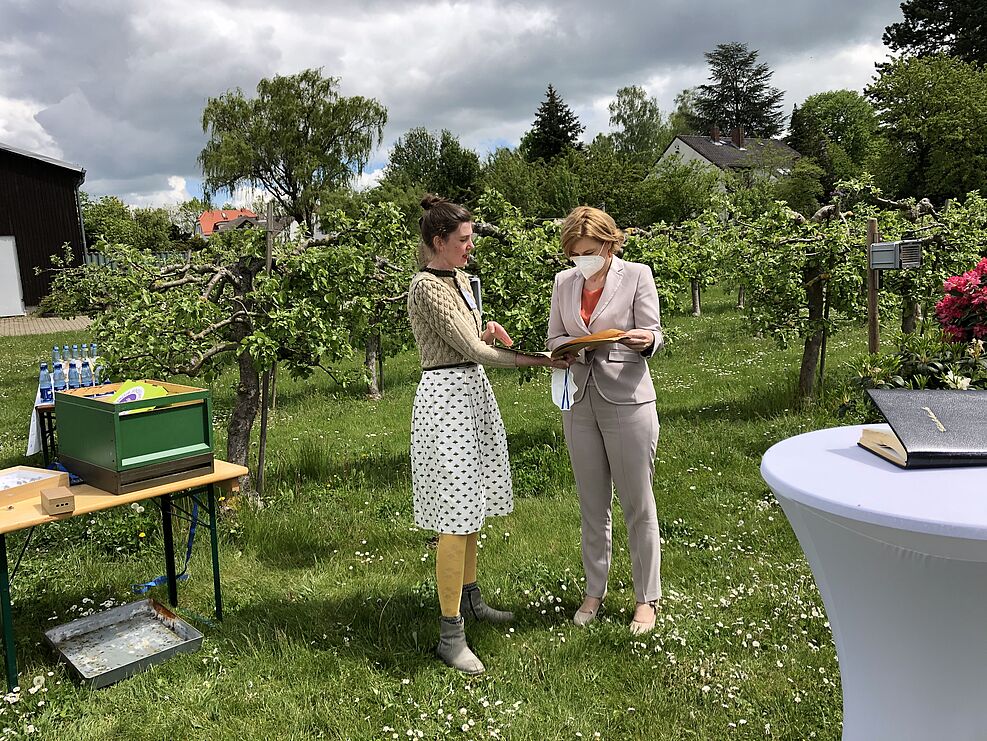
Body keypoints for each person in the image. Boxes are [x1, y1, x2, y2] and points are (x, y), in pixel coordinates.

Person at [407, 194, 569, 674]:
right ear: (438, 241)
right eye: (463, 239)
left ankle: (471, 599)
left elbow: (468, 332)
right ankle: (449, 634)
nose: (470, 246)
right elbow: (471, 350)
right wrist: (537, 361)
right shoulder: (426, 288)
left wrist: (486, 322)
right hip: (447, 399)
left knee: (471, 508)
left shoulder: (458, 278)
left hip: (470, 394)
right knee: (454, 519)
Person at [547, 205, 664, 635]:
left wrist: (643, 339)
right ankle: (594, 590)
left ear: (610, 243)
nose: (583, 260)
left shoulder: (637, 275)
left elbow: (655, 333)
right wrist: (567, 347)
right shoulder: (563, 283)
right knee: (592, 505)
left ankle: (645, 598)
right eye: (576, 253)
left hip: (628, 398)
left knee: (637, 503)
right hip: (579, 399)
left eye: (591, 251)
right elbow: (555, 335)